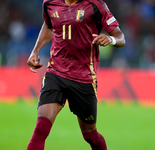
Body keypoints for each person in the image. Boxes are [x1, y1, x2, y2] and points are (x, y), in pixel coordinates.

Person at [26, 0, 125, 149]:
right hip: (56, 72)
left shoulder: (96, 4)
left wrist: (110, 39)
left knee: (90, 134)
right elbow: (49, 25)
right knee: (41, 129)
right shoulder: (50, 3)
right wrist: (35, 50)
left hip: (83, 77)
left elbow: (120, 37)